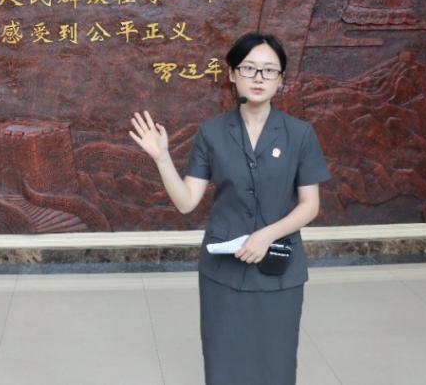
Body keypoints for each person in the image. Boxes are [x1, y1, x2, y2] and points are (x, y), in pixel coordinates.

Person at [129, 32, 330, 385]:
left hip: (278, 267)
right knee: (224, 361)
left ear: (281, 79)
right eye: (249, 68)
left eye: (269, 70)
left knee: (276, 362)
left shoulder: (300, 134)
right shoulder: (212, 133)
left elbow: (309, 205)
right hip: (223, 270)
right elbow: (187, 202)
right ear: (232, 74)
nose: (258, 77)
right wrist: (162, 158)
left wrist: (266, 236)